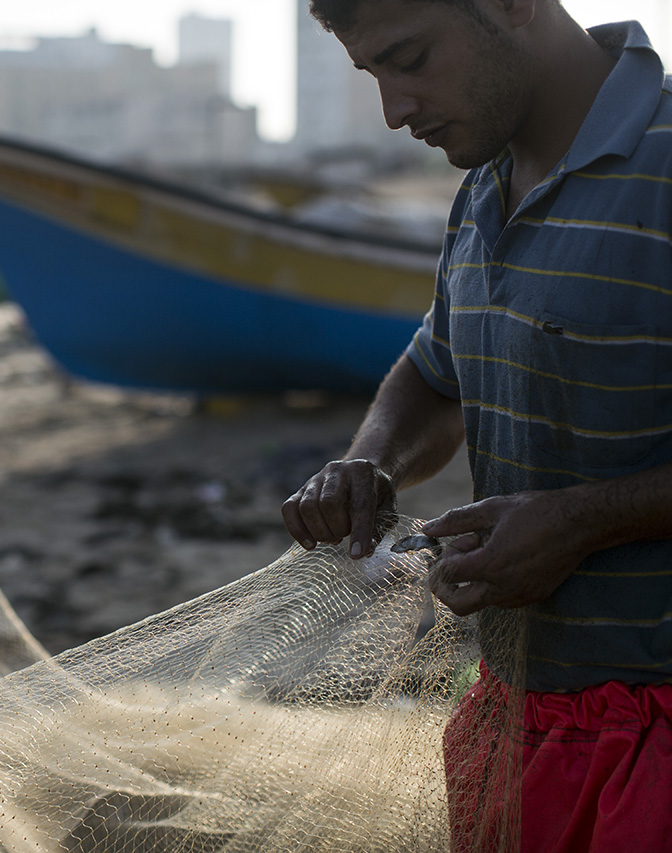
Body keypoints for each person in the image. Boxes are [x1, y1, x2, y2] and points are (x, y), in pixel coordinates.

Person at [281, 1, 672, 849]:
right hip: (519, 718)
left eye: (411, 57)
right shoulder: (483, 187)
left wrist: (582, 521)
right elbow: (435, 373)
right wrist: (370, 461)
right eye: (372, 74)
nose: (394, 108)